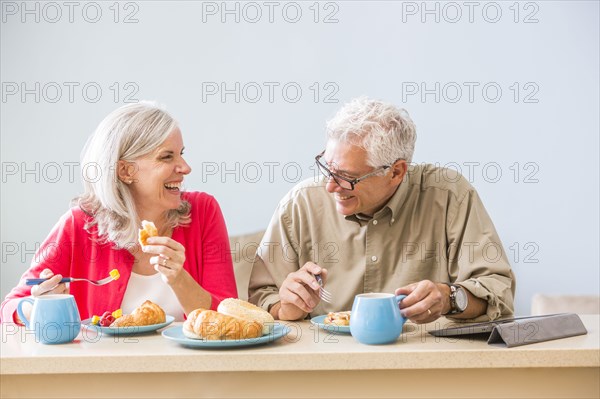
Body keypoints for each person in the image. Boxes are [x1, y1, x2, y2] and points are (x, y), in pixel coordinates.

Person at [248, 97, 515, 323]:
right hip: (325, 363)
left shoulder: (449, 196)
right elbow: (259, 298)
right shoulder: (300, 204)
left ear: (396, 172)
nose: (330, 186)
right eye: (327, 168)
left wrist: (449, 298)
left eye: (347, 177)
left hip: (423, 365)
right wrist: (285, 308)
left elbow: (498, 292)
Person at [1, 102, 238, 323]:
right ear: (125, 171)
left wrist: (179, 278)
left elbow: (228, 318)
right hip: (101, 367)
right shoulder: (79, 224)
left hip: (189, 368)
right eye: (167, 157)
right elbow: (10, 307)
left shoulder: (203, 212)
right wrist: (38, 306)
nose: (185, 168)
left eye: (181, 154)